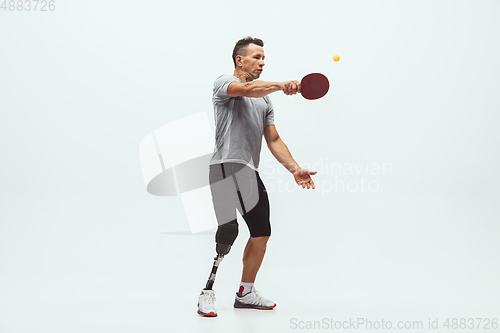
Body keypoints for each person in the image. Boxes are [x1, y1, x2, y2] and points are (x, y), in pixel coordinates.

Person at [197, 37, 317, 317]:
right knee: (228, 231)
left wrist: (294, 168)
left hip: (248, 170)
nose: (262, 62)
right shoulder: (224, 83)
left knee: (262, 233)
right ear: (240, 60)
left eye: (264, 58)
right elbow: (245, 89)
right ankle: (207, 291)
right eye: (257, 57)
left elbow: (273, 139)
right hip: (225, 166)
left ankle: (245, 292)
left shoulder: (265, 101)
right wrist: (279, 85)